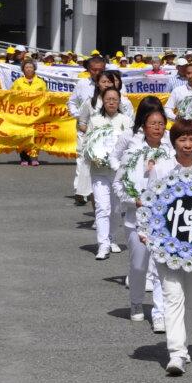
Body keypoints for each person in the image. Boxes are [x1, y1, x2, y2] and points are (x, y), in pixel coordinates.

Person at [149, 118, 192, 377]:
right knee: (172, 295)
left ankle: (183, 346)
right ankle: (176, 353)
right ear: (173, 142)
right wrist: (148, 233)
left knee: (191, 298)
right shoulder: (162, 167)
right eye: (182, 140)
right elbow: (151, 202)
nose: (187, 145)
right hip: (167, 242)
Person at [113, 99, 171, 329]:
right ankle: (136, 302)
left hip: (163, 221)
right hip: (135, 219)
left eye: (161, 123)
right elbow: (118, 186)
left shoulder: (171, 153)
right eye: (152, 123)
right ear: (143, 126)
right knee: (138, 266)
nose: (157, 127)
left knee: (159, 268)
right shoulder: (133, 153)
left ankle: (159, 312)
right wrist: (133, 200)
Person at [86, 86, 133, 260]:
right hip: (99, 170)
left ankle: (112, 238)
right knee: (102, 207)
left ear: (119, 101)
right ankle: (103, 244)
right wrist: (93, 156)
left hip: (118, 172)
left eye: (114, 99)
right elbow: (88, 143)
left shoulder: (126, 120)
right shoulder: (95, 120)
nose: (111, 102)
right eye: (108, 99)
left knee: (116, 209)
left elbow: (131, 145)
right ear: (102, 101)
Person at [68, 54, 107, 205]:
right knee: (82, 159)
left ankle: (98, 191)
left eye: (100, 69)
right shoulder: (82, 84)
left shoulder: (109, 84)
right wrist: (79, 116)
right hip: (85, 128)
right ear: (88, 70)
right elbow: (71, 102)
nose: (97, 72)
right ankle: (80, 191)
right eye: (94, 70)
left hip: (105, 130)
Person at [10, 58, 46, 165]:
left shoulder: (41, 82)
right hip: (21, 113)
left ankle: (34, 157)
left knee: (35, 135)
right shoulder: (18, 82)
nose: (29, 69)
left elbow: (46, 97)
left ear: (34, 69)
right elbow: (12, 96)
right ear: (23, 69)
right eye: (26, 67)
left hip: (36, 113)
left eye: (31, 67)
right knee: (22, 135)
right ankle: (24, 158)